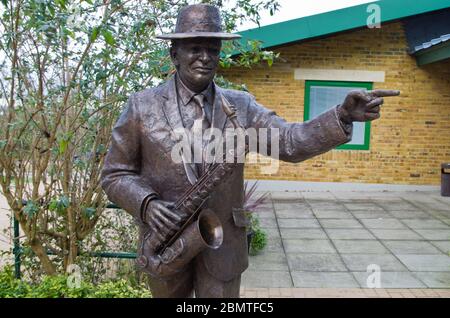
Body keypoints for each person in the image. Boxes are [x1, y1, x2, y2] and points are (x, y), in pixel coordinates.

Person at [100, 4, 400, 298]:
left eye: (214, 50)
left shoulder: (241, 106)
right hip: (164, 243)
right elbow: (115, 174)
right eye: (195, 48)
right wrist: (147, 205)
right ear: (174, 54)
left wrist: (342, 116)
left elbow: (291, 142)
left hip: (223, 245)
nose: (205, 58)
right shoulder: (141, 106)